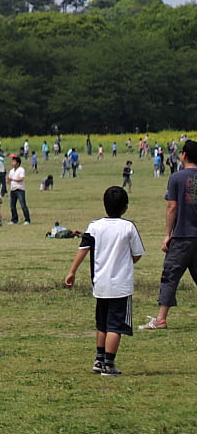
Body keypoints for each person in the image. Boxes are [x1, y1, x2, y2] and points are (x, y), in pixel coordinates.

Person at [64, 186, 144, 375]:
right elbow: (137, 254)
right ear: (125, 207)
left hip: (100, 284)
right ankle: (109, 364)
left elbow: (83, 249)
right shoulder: (128, 227)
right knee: (115, 326)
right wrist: (126, 260)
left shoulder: (94, 226)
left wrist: (72, 272)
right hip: (121, 286)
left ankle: (99, 360)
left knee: (102, 324)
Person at [139, 139, 197, 331]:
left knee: (170, 276)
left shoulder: (177, 178)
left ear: (184, 155)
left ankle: (161, 319)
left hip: (182, 236)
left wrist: (167, 234)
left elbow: (172, 207)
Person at [9, 154, 31, 225]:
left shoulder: (21, 169)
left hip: (20, 189)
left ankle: (27, 219)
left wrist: (12, 179)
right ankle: (14, 219)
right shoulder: (11, 171)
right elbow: (9, 179)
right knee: (12, 206)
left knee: (23, 205)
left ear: (18, 163)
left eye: (14, 161)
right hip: (13, 189)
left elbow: (21, 179)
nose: (12, 163)